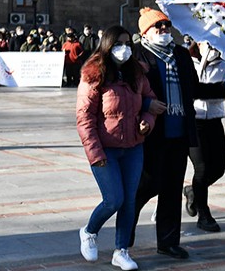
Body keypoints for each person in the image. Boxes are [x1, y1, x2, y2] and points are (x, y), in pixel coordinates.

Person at [128, 7, 225, 259]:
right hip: (152, 133)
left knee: (171, 187)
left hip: (179, 133)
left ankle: (167, 242)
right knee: (146, 186)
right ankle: (125, 235)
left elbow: (193, 88)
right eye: (158, 27)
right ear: (145, 32)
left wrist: (223, 87)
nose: (164, 30)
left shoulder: (179, 54)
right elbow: (126, 91)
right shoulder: (138, 55)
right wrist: (146, 106)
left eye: (167, 25)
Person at [76, 25, 158, 271]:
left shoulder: (137, 74)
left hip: (133, 147)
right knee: (114, 200)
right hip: (105, 149)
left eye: (127, 44)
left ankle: (121, 251)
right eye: (118, 44)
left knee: (129, 201)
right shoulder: (94, 75)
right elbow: (84, 117)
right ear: (108, 46)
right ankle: (89, 231)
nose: (124, 49)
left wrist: (148, 121)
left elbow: (149, 101)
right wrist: (95, 153)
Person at [183, 41, 225, 232]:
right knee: (202, 169)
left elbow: (224, 93)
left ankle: (192, 191)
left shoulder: (222, 64)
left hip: (214, 118)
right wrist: (218, 90)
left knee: (218, 168)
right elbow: (192, 91)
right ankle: (203, 214)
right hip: (194, 121)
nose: (213, 48)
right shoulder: (188, 60)